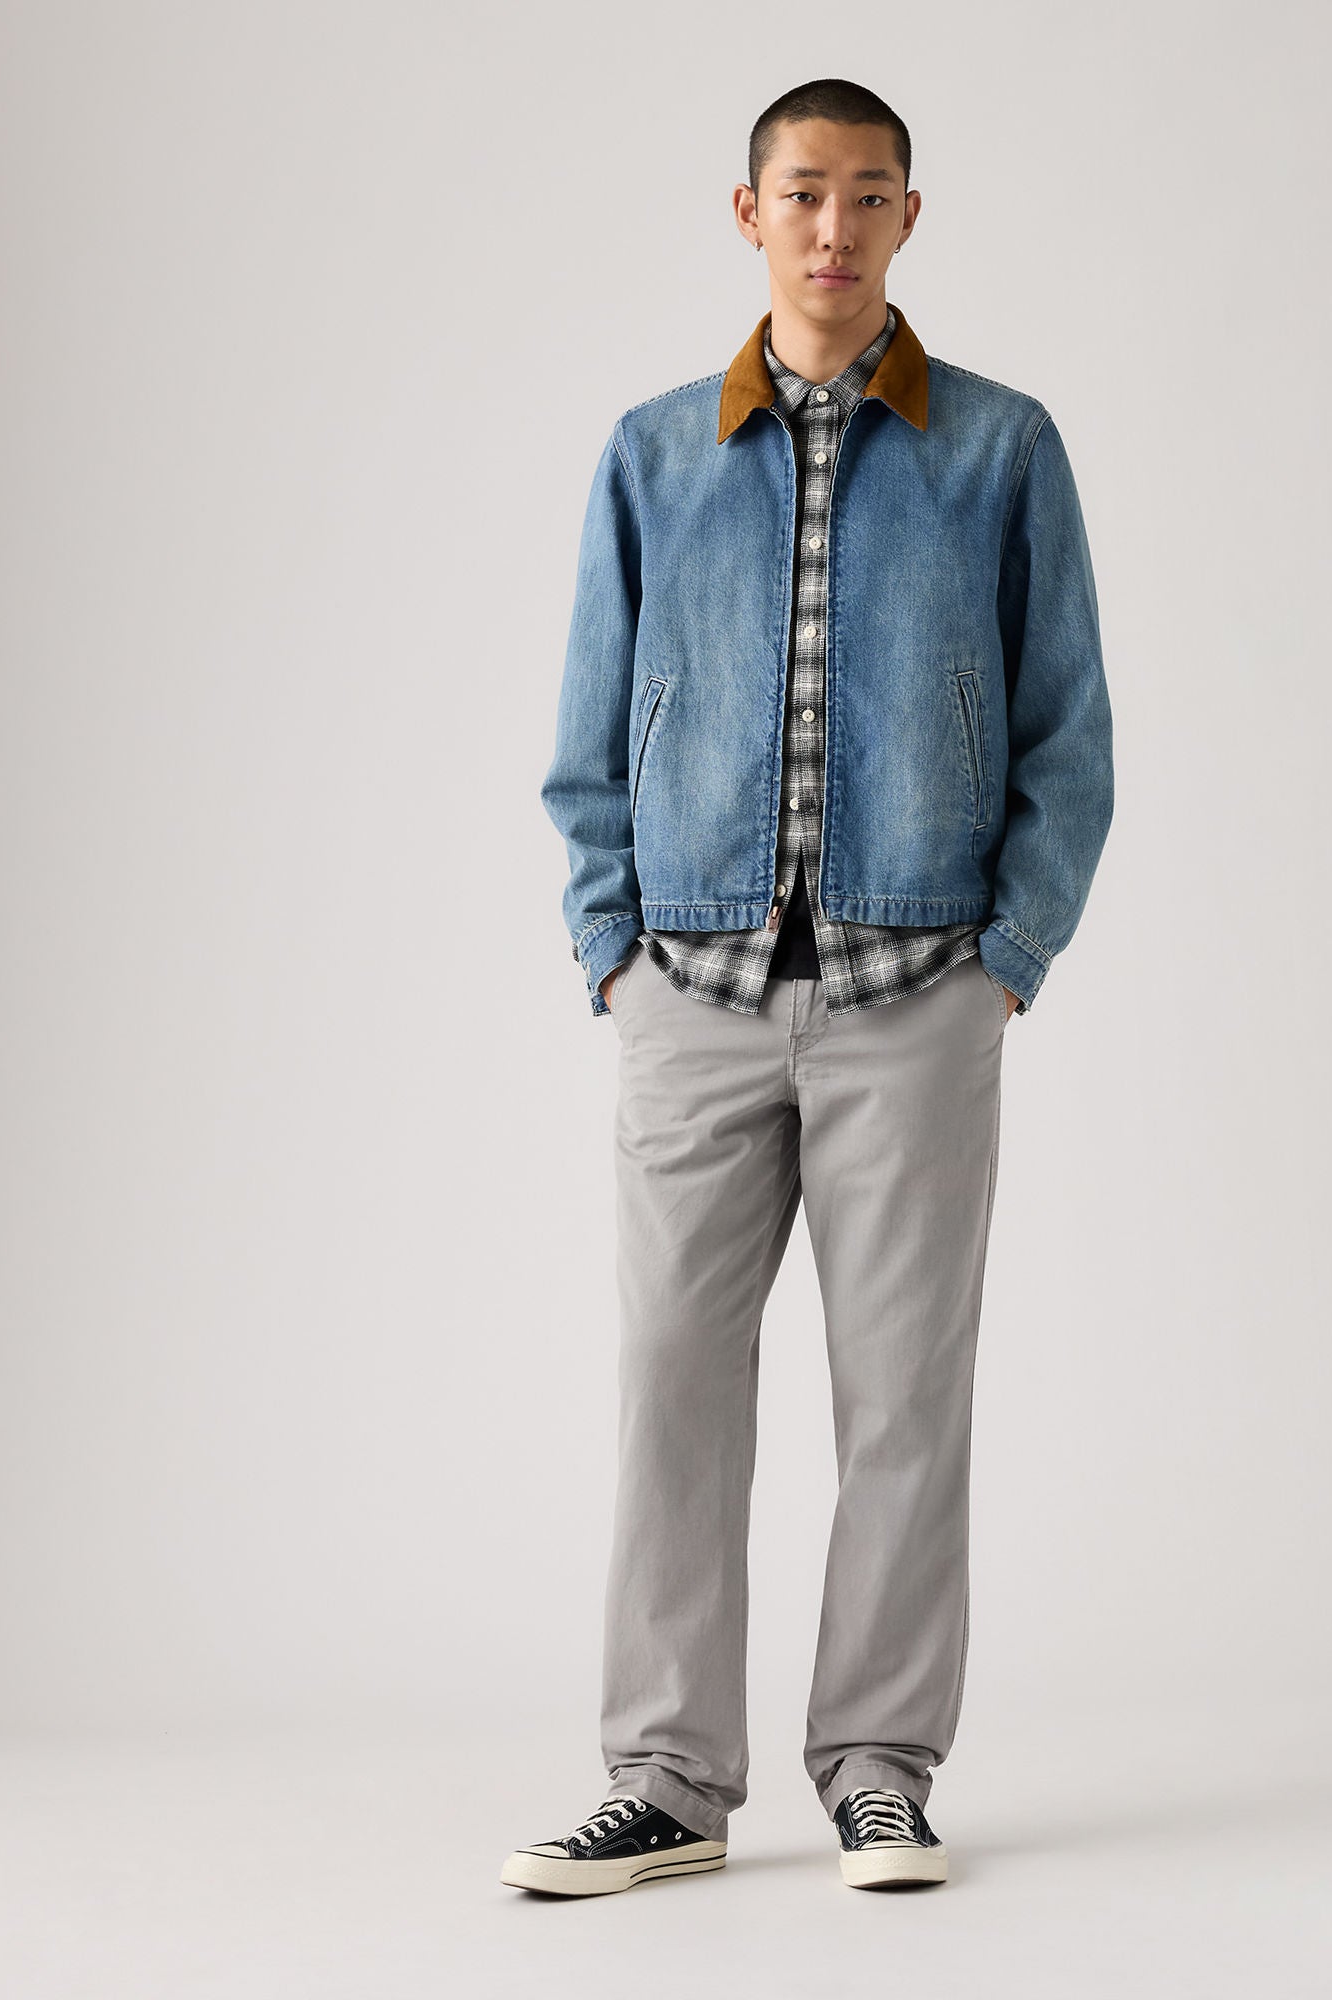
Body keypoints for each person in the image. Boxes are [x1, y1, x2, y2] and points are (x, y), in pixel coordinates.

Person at [509, 76, 1113, 1897]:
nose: (832, 228)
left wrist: (1005, 964)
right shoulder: (653, 452)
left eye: (866, 195)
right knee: (670, 1390)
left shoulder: (1000, 449)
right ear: (749, 214)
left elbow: (1068, 737)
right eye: (801, 194)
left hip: (914, 995)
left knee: (906, 1400)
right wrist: (612, 955)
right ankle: (668, 1782)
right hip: (689, 997)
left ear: (909, 217)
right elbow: (587, 739)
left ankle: (879, 1771)